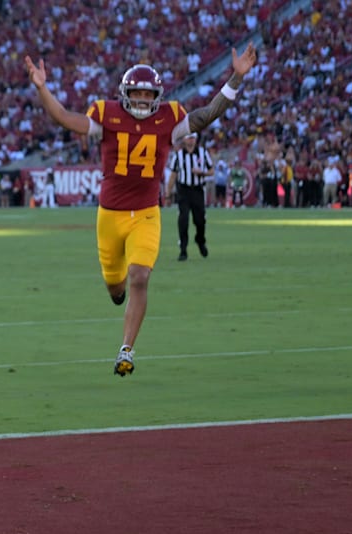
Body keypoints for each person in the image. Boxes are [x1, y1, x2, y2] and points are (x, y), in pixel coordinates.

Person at [25, 43, 257, 376]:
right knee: (116, 287)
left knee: (140, 276)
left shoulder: (169, 118)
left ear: (157, 96)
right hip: (110, 215)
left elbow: (206, 114)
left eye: (149, 96)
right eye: (138, 94)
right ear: (126, 94)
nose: (143, 101)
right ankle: (118, 297)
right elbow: (64, 118)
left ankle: (126, 350)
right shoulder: (108, 115)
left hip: (147, 213)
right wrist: (42, 88)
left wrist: (235, 78)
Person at [165, 132, 213, 261]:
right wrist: (168, 194)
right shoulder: (178, 156)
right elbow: (173, 176)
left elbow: (211, 170)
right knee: (183, 220)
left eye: (193, 138)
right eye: (188, 138)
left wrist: (201, 173)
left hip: (197, 190)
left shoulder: (203, 153)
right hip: (184, 191)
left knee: (200, 220)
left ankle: (200, 240)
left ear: (196, 139)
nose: (191, 141)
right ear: (184, 140)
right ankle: (183, 249)